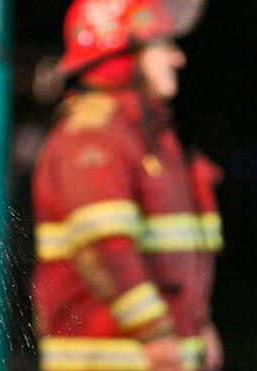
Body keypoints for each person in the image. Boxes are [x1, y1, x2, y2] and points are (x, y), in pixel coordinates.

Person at [31, 0, 223, 370]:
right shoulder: (94, 138)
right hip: (115, 358)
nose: (177, 59)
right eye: (163, 45)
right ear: (121, 52)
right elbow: (104, 248)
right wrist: (157, 334)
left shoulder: (145, 136)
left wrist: (199, 327)